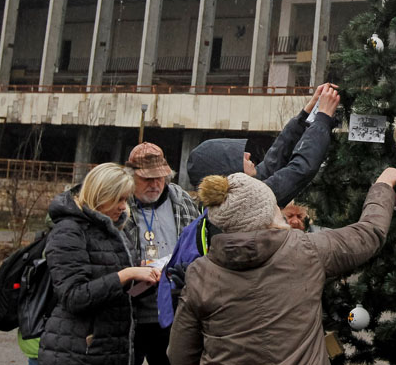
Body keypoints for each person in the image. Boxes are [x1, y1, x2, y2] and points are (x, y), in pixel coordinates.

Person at [166, 166, 396, 365]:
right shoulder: (305, 250)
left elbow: (179, 354)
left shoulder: (200, 272)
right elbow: (368, 234)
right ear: (267, 212)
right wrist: (383, 186)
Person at [156, 83, 341, 328]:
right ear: (228, 174)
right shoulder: (245, 207)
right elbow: (300, 169)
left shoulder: (226, 203)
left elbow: (274, 159)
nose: (249, 156)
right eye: (239, 156)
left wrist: (306, 115)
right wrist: (324, 120)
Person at [39, 163, 161, 365]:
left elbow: (119, 292)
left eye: (125, 199)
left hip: (108, 349)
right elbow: (74, 297)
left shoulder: (114, 229)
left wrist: (149, 278)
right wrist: (127, 274)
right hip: (77, 352)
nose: (123, 206)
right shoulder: (68, 231)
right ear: (100, 195)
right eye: (118, 199)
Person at [123, 142, 202, 365]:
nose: (155, 184)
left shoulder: (182, 200)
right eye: (147, 179)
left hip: (173, 314)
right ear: (130, 177)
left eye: (160, 177)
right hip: (131, 314)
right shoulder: (119, 203)